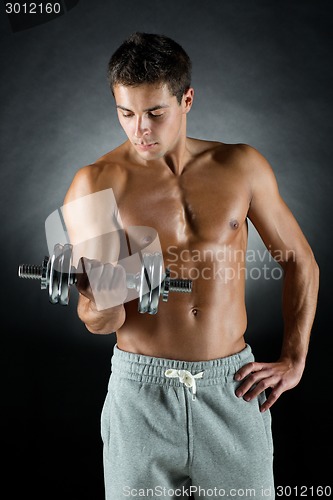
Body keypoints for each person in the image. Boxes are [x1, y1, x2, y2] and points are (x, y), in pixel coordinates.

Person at [63, 32, 319, 500]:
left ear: (187, 99)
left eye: (154, 113)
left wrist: (294, 358)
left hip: (233, 389)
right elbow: (101, 322)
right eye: (126, 113)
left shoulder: (241, 166)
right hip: (141, 396)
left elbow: (299, 260)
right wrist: (96, 295)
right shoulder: (95, 184)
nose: (140, 128)